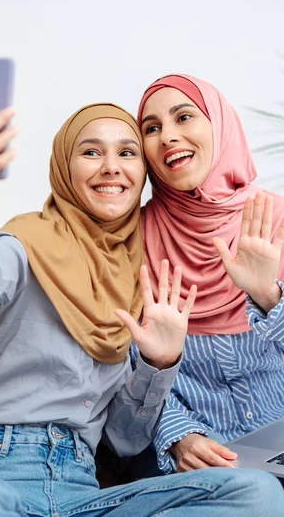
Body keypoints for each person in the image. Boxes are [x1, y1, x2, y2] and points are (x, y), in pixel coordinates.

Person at [0, 95, 283, 516]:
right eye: (91, 152)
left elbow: (125, 440)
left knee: (256, 493)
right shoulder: (26, 245)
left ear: (143, 172)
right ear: (65, 169)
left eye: (127, 153)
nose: (111, 166)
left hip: (79, 491)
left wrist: (158, 363)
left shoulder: (137, 276)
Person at [137, 74, 284, 475]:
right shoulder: (131, 239)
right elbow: (123, 372)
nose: (167, 136)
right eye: (152, 128)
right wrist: (179, 436)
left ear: (219, 124)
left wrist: (268, 297)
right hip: (199, 465)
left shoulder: (275, 220)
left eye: (183, 117)